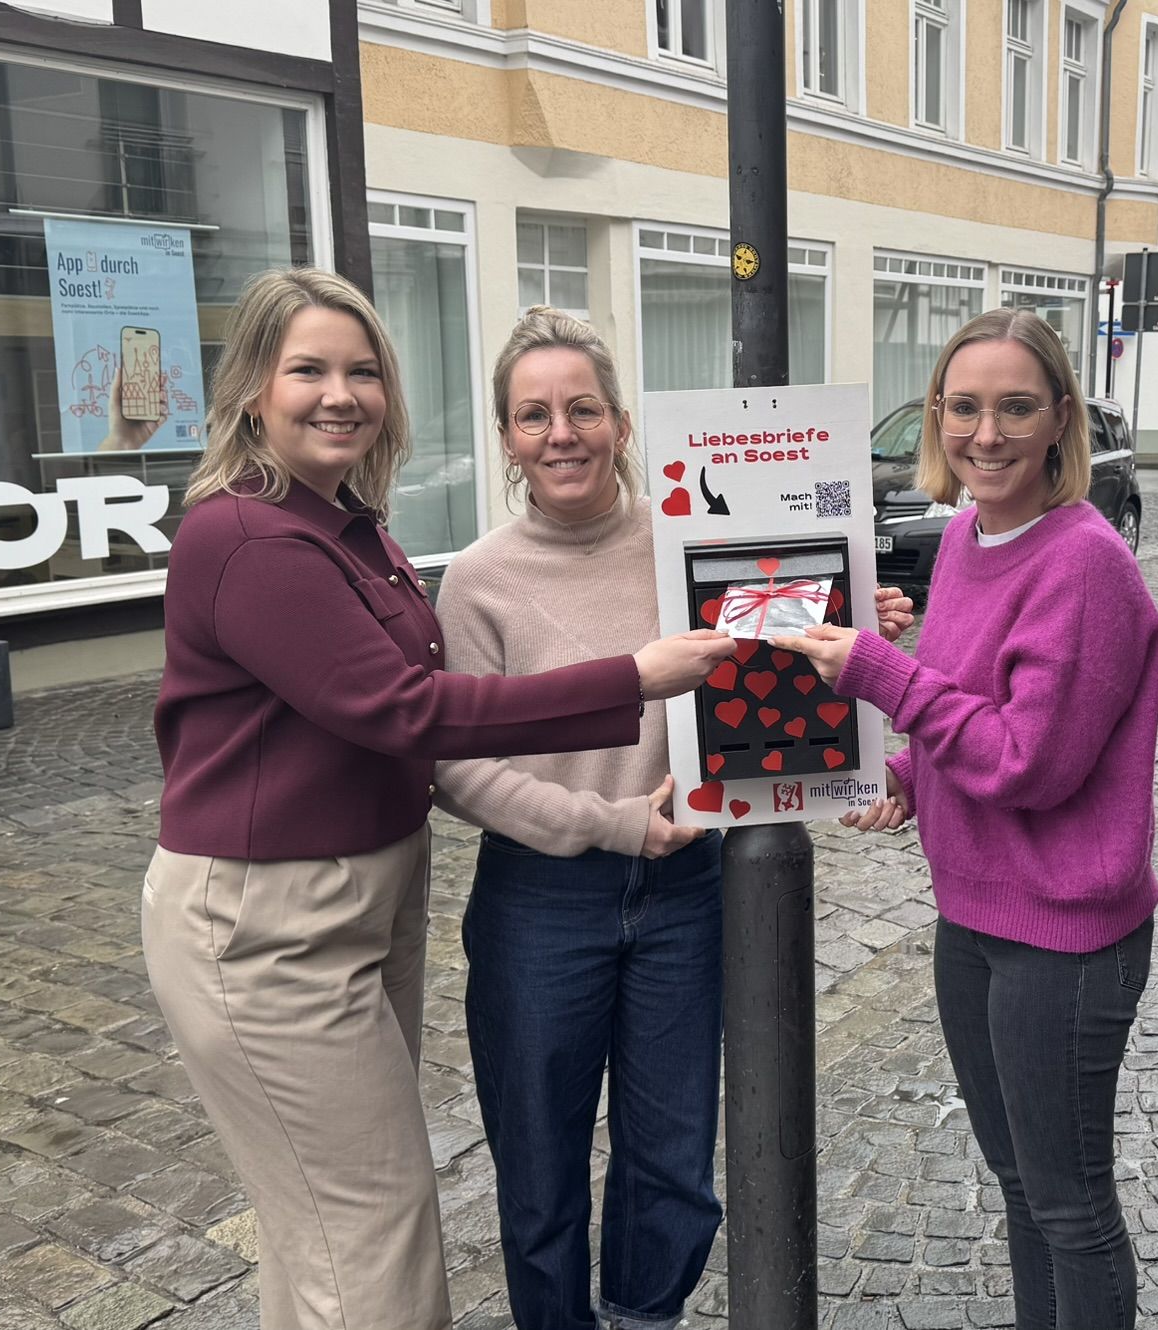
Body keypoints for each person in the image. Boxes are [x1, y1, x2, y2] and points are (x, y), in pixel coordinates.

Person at [143, 270, 734, 1330]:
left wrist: (839, 600)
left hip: (367, 898)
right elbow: (410, 712)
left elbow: (757, 636)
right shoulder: (250, 536)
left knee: (326, 1222)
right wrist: (627, 685)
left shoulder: (352, 529)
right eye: (309, 370)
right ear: (250, 393)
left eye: (362, 370)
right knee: (373, 1221)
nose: (340, 394)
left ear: (620, 420)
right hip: (275, 915)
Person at [431, 307, 913, 1330]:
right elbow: (458, 771)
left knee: (675, 1168)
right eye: (533, 416)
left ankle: (643, 1320)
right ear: (507, 437)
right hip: (540, 900)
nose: (561, 433)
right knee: (539, 1173)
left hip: (687, 890)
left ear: (617, 422)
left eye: (582, 409)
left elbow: (781, 648)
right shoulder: (476, 580)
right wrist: (606, 823)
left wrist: (861, 621)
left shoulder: (687, 541)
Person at [774, 308, 1158, 1330]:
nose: (985, 433)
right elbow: (964, 705)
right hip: (976, 921)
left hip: (1065, 938)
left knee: (1071, 1206)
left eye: (1015, 407)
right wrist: (909, 773)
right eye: (964, 406)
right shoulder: (964, 537)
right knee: (1022, 1187)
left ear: (1059, 421)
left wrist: (877, 672)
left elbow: (1029, 761)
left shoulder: (1084, 563)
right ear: (937, 416)